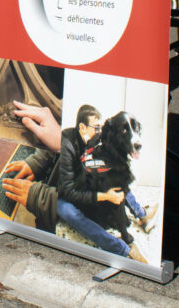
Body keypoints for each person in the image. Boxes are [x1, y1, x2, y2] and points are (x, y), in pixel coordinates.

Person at [57, 105, 147, 262]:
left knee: (116, 177)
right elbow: (69, 191)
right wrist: (105, 196)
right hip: (61, 193)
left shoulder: (92, 140)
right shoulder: (68, 145)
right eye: (96, 128)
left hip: (83, 183)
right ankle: (123, 249)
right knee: (71, 214)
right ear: (82, 128)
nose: (100, 133)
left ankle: (141, 214)